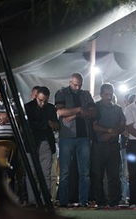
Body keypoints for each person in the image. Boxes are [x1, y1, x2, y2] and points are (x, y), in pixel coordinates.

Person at [54, 73, 96, 207]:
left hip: (83, 136)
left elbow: (93, 112)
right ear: (70, 82)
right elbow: (60, 112)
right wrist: (79, 110)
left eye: (79, 85)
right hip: (67, 136)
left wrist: (74, 115)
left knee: (85, 172)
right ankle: (63, 201)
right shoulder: (61, 93)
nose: (77, 87)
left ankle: (83, 201)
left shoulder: (86, 94)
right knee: (65, 172)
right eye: (75, 84)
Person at [93, 83, 126, 209]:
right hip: (99, 146)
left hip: (113, 145)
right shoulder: (96, 108)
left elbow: (123, 124)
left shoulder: (117, 109)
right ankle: (100, 201)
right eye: (106, 94)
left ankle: (114, 201)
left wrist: (113, 134)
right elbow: (94, 125)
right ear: (101, 94)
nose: (108, 97)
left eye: (110, 94)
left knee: (114, 175)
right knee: (98, 175)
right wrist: (109, 131)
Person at [24, 86, 59, 206]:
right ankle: (33, 201)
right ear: (36, 96)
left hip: (46, 143)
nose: (42, 103)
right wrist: (47, 124)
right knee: (32, 173)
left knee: (46, 174)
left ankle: (45, 200)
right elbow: (29, 125)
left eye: (45, 100)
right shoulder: (28, 107)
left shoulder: (50, 107)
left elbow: (55, 123)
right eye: (40, 100)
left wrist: (48, 124)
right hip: (32, 143)